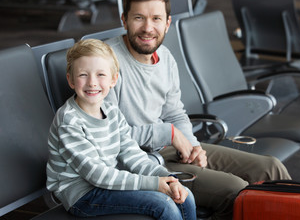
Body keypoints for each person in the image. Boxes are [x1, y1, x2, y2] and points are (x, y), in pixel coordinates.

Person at [105, 0, 292, 219]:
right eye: (139, 18)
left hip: (172, 149)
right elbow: (109, 139)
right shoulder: (105, 64)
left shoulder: (165, 57)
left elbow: (175, 113)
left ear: (168, 23)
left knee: (270, 168)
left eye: (156, 19)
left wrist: (193, 147)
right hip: (139, 162)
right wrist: (169, 133)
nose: (148, 28)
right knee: (235, 190)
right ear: (124, 20)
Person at [46, 39, 197, 220]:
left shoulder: (111, 111)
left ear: (113, 80)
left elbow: (132, 153)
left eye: (101, 74)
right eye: (83, 75)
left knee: (185, 195)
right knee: (164, 206)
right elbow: (97, 175)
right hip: (82, 195)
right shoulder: (69, 121)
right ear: (70, 80)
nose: (92, 82)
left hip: (107, 184)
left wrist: (168, 178)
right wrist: (153, 184)